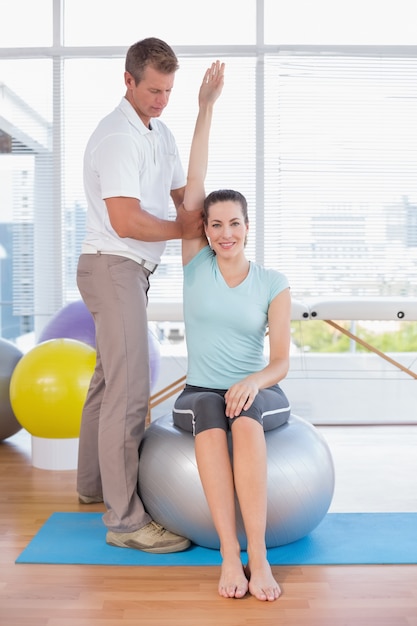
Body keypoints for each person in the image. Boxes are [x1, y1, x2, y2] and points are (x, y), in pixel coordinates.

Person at [76, 37, 204, 553]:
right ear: (127, 81)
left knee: (109, 383)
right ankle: (126, 521)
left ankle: (92, 489)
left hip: (130, 269)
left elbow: (182, 197)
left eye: (169, 91)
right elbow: (126, 219)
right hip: (113, 265)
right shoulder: (117, 138)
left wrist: (208, 222)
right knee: (129, 394)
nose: (160, 100)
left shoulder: (161, 132)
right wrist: (184, 228)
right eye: (153, 89)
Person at [173, 61, 292, 600]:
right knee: (208, 410)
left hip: (257, 387)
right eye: (215, 224)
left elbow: (282, 360)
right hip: (200, 389)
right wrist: (205, 108)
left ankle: (259, 558)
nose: (225, 232)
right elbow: (194, 185)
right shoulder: (195, 264)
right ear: (206, 231)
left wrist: (255, 382)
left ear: (248, 227)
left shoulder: (272, 282)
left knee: (243, 420)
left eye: (234, 223)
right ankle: (228, 555)